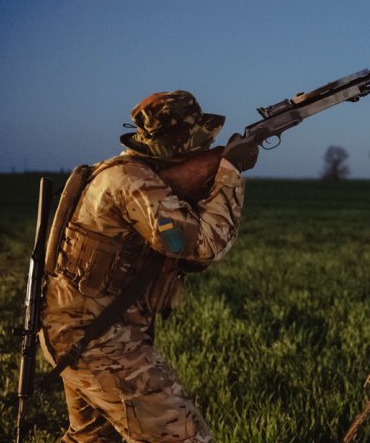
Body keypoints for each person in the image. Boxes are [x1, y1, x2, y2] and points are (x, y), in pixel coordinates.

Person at [39, 90, 258, 442]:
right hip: (96, 339)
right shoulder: (132, 182)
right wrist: (230, 174)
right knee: (184, 436)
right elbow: (203, 246)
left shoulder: (134, 174)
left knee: (93, 439)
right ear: (179, 146)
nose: (205, 150)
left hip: (81, 327)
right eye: (199, 143)